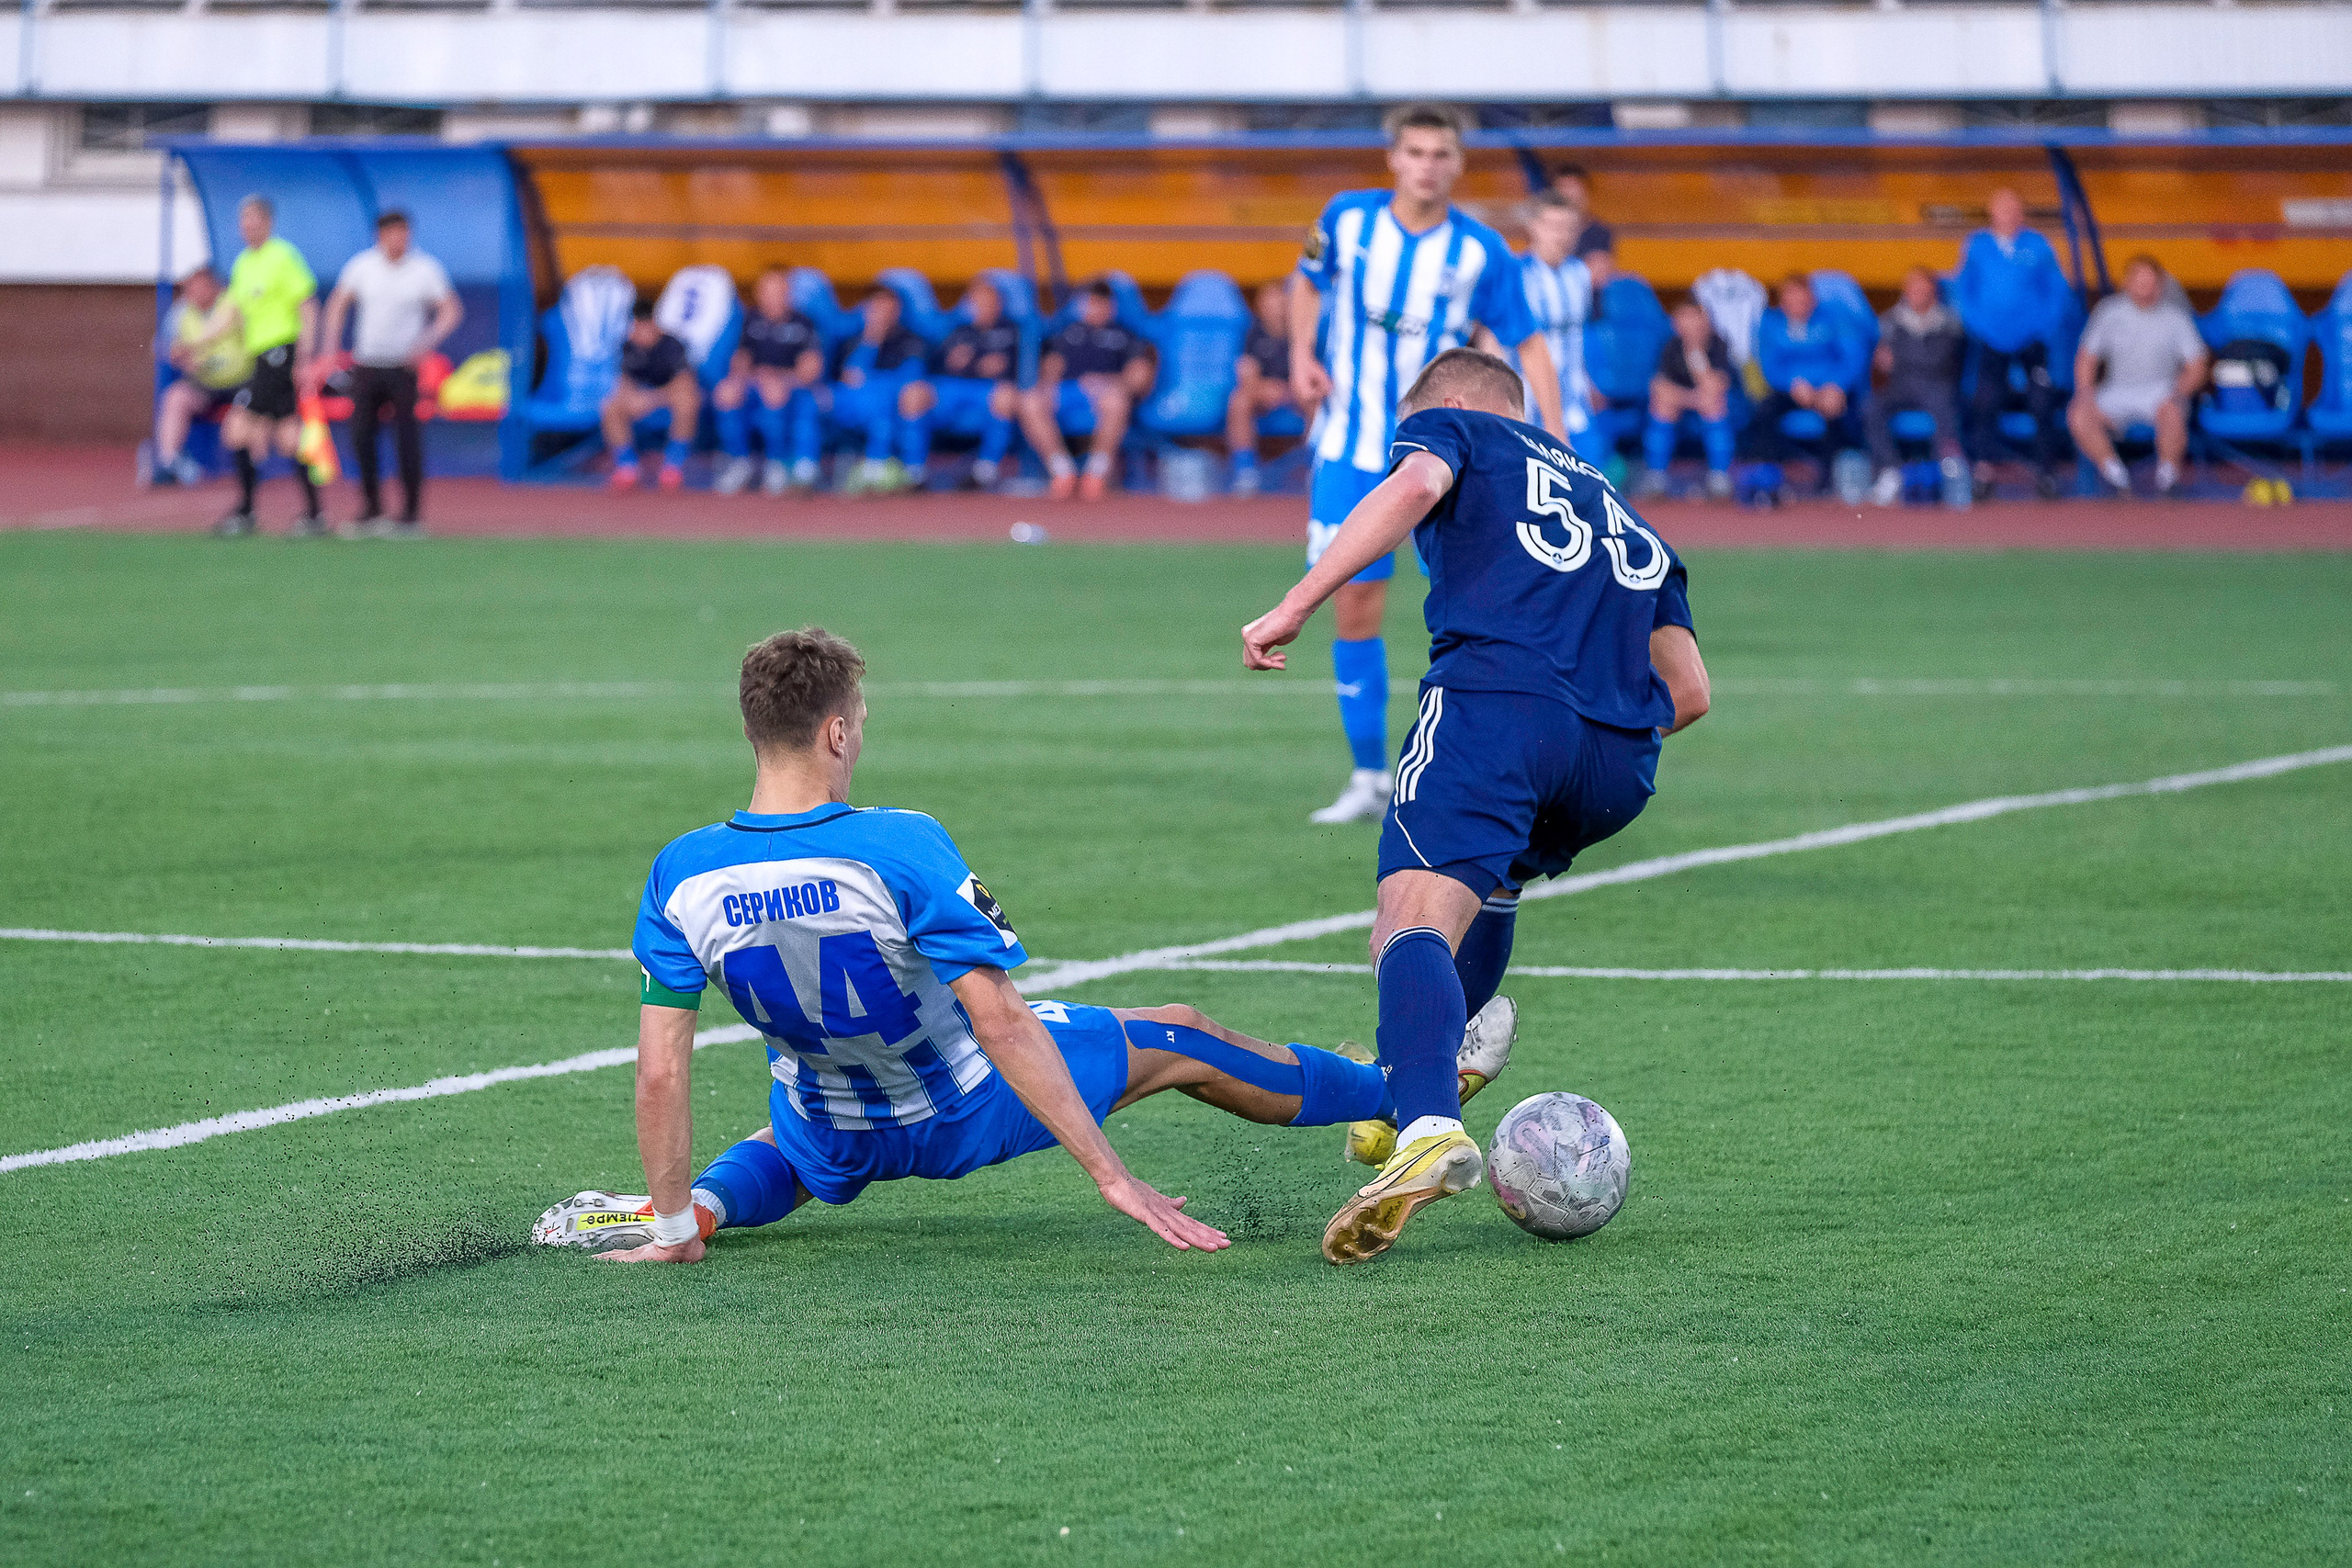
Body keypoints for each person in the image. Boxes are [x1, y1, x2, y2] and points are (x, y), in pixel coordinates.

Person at [528, 627, 1508, 1261]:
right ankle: (1404, 1097)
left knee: (784, 1138)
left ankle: (688, 1213)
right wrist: (1108, 1173)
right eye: (859, 723)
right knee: (1178, 1033)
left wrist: (665, 1222)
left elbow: (661, 1074)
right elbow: (996, 1018)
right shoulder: (897, 844)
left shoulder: (682, 873)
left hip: (827, 1129)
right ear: (834, 733)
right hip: (968, 1109)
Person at [1242, 347, 1708, 1265]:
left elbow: (1417, 482)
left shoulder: (1455, 427)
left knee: (1408, 919)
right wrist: (1593, 730)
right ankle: (1415, 1083)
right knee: (1488, 890)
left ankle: (1422, 1125)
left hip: (1495, 707)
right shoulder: (1630, 517)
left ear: (1454, 403)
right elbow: (1689, 693)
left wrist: (1299, 599)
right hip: (1616, 764)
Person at [1291, 102, 1563, 828]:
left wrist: (1555, 434)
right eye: (1415, 152)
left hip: (1451, 454)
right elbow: (1304, 282)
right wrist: (1299, 355)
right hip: (1350, 446)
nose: (1427, 165)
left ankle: (1511, 769)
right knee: (1355, 603)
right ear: (1393, 158)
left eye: (1441, 154)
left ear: (1458, 164)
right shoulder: (1347, 220)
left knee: (1496, 607)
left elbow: (1527, 341)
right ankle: (1370, 774)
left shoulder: (1480, 251)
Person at [322, 210, 461, 536]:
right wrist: (330, 350)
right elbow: (338, 303)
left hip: (403, 367)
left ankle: (410, 514)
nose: (399, 239)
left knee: (407, 440)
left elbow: (451, 310)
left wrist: (425, 343)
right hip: (367, 365)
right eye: (392, 233)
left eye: (404, 233)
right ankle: (372, 509)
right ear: (380, 235)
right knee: (361, 437)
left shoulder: (424, 269)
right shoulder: (362, 266)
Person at [202, 196, 319, 536]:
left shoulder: (283, 256)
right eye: (243, 220)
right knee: (286, 437)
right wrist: (197, 344)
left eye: (253, 219)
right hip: (262, 359)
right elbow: (231, 314)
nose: (247, 226)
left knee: (236, 431)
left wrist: (304, 358)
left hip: (280, 353)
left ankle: (246, 512)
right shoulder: (243, 263)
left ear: (268, 222)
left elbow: (308, 307)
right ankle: (314, 515)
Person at [1953, 187, 2069, 497]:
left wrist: (2043, 326)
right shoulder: (1977, 245)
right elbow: (1963, 291)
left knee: (2042, 402)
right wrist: (1979, 324)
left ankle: (2046, 473)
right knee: (1983, 401)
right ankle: (1983, 473)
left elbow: (2057, 290)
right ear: (1992, 212)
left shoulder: (2038, 245)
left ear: (2022, 213)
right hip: (1990, 340)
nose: (2008, 214)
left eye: (2014, 208)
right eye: (2002, 208)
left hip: (2032, 341)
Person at [2068, 254, 2209, 498]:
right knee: (2078, 413)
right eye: (2140, 282)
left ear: (2160, 284)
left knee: (2174, 411)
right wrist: (2085, 393)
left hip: (2161, 390)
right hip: (2117, 390)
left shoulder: (2175, 317)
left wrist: (2178, 393)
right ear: (2128, 283)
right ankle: (2115, 475)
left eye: (2151, 283)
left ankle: (2168, 479)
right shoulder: (2109, 312)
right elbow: (2087, 359)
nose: (2146, 289)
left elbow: (2197, 365)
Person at [1020, 280, 1154, 501]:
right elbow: (1053, 365)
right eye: (1089, 303)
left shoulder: (1126, 336)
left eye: (1100, 304)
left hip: (1103, 394)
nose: (1094, 309)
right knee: (1030, 400)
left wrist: (1109, 382)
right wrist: (1048, 387)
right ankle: (1062, 472)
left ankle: (1096, 475)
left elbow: (1140, 376)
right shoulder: (1069, 333)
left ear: (1110, 306)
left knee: (1116, 400)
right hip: (1068, 393)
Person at [711, 266, 825, 497]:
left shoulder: (803, 324)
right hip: (756, 383)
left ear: (788, 294)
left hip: (791, 388)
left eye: (777, 292)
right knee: (726, 393)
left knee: (774, 392)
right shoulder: (750, 321)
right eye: (766, 292)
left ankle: (778, 463)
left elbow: (809, 371)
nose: (771, 298)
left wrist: (778, 378)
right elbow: (740, 360)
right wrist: (746, 378)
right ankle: (739, 462)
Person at [900, 276, 1022, 491]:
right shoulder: (957, 330)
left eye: (989, 302)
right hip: (949, 389)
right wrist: (972, 363)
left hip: (985, 393)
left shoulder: (1010, 331)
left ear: (1000, 304)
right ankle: (914, 474)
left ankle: (985, 472)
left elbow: (999, 366)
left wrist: (969, 362)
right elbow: (941, 364)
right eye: (978, 302)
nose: (983, 308)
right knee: (914, 393)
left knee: (1006, 395)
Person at [1864, 265, 1968, 507]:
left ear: (1933, 290)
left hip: (1936, 385)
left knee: (1945, 408)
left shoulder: (1949, 322)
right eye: (1912, 287)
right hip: (1901, 386)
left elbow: (1940, 360)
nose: (1917, 292)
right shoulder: (1891, 320)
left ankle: (1947, 472)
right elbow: (1881, 361)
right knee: (1871, 407)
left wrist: (1898, 357)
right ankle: (1890, 470)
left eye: (1923, 287)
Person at [1754, 273, 1866, 489]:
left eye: (1802, 298)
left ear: (1812, 298)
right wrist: (1792, 384)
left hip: (1831, 388)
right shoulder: (1771, 324)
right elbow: (1770, 366)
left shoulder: (1834, 318)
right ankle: (1770, 478)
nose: (1798, 304)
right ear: (1782, 301)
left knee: (1835, 412)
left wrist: (1835, 385)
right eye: (1791, 298)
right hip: (1792, 389)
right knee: (1765, 412)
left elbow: (1852, 356)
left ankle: (1828, 481)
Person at [1515, 191, 1600, 457]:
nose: (1561, 235)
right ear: (1533, 227)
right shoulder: (1516, 273)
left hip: (1575, 400)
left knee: (1589, 476)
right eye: (1553, 226)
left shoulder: (1581, 274)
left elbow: (1582, 335)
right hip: (1526, 401)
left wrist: (1590, 381)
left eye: (1568, 228)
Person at [153, 265, 251, 488]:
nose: (192, 291)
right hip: (204, 383)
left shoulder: (233, 303)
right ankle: (169, 463)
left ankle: (249, 469)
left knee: (248, 412)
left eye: (197, 286)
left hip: (241, 380)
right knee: (175, 398)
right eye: (188, 287)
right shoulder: (181, 311)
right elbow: (161, 346)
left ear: (212, 286)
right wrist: (182, 359)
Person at [831, 288, 933, 494]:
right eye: (878, 309)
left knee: (901, 399)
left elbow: (913, 376)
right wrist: (872, 340)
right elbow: (851, 378)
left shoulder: (911, 341)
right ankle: (874, 469)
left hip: (893, 403)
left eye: (889, 309)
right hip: (858, 406)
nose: (884, 315)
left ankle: (913, 473)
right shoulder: (854, 341)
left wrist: (876, 381)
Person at [1639, 297, 1736, 500]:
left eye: (1693, 317)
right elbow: (1659, 387)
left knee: (1714, 406)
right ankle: (1656, 476)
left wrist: (1695, 352)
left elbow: (1715, 387)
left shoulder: (1719, 344)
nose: (1688, 324)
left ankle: (1719, 476)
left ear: (1704, 320)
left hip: (1716, 405)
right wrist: (1692, 399)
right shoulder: (1670, 346)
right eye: (1682, 318)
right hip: (1687, 402)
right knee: (1662, 406)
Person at [602, 299, 698, 491]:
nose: (640, 332)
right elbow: (624, 383)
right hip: (643, 402)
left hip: (667, 400)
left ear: (654, 325)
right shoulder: (629, 346)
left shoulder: (672, 345)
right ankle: (627, 467)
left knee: (688, 400)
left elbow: (685, 383)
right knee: (610, 406)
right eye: (637, 326)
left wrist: (652, 398)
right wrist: (632, 398)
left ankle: (673, 466)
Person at [1226, 281, 1295, 497]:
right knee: (1239, 400)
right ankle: (1246, 472)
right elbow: (1247, 374)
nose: (1272, 307)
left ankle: (1317, 466)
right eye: (1266, 302)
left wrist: (1289, 391)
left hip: (1299, 395)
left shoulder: (1303, 332)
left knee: (1315, 399)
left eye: (1277, 301)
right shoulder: (1253, 335)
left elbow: (1319, 373)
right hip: (1265, 396)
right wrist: (1266, 389)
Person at [1548, 162, 1616, 288]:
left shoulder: (1599, 232)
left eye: (1574, 190)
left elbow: (1597, 276)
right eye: (1563, 190)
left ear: (1585, 194)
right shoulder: (1546, 232)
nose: (1569, 198)